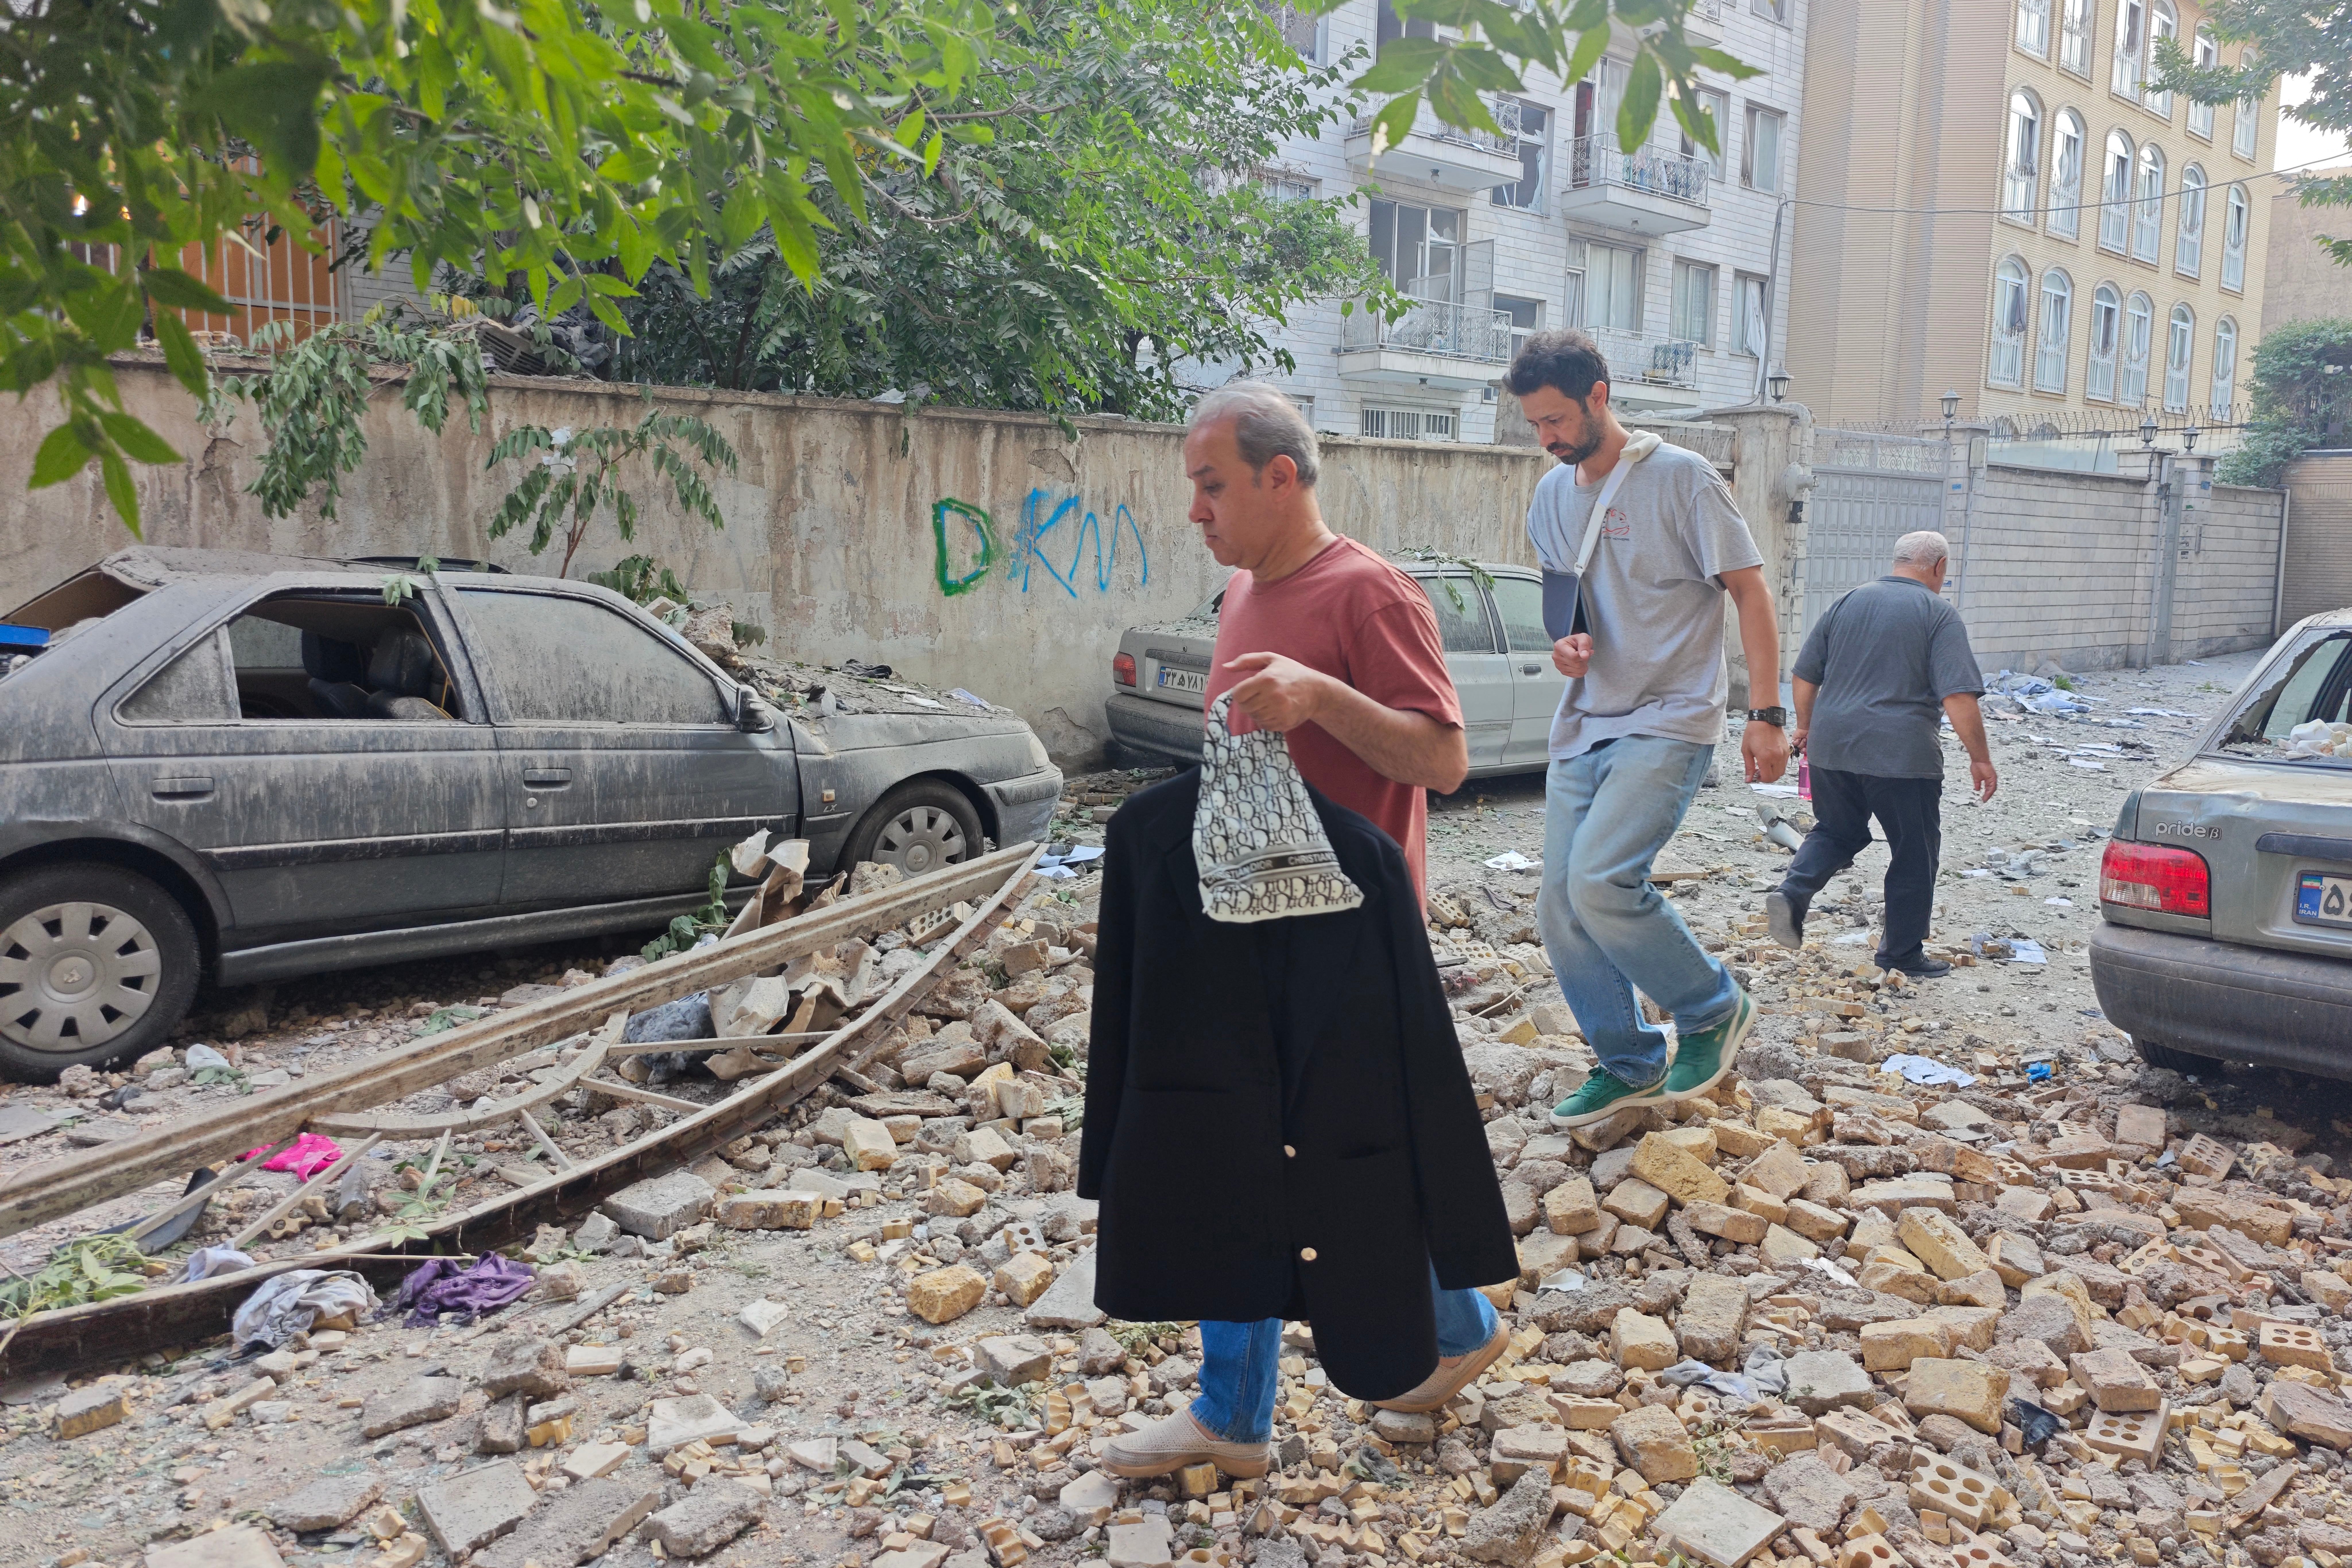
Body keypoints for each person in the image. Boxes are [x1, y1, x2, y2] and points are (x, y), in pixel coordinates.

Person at [1088, 382, 1515, 1481]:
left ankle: (1449, 1333)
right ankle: (1250, 1410)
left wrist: (1322, 695)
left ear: (1283, 477)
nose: (1196, 510)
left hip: (1347, 957)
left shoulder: (1370, 594)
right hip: (1242, 938)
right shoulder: (1240, 590)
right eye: (1193, 486)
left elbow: (1442, 762)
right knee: (1236, 1162)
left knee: (1346, 1169)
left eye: (1212, 484)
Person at [1504, 331, 1789, 1130]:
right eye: (1535, 425)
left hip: (1669, 717)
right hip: (1586, 722)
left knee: (1601, 880)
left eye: (1557, 418)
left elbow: (1752, 592)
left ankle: (1711, 1007)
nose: (1548, 437)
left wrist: (1766, 714)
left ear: (1599, 394)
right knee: (1561, 904)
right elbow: (1566, 598)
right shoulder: (1552, 493)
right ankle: (1628, 1061)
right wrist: (1565, 642)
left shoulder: (1683, 480)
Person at [1767, 530, 1997, 975]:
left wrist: (1807, 726)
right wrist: (1980, 757)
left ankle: (1793, 893)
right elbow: (1959, 699)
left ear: (1897, 562)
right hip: (1902, 755)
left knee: (1837, 830)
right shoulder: (1938, 614)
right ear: (1939, 568)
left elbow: (1803, 674)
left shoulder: (1847, 603)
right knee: (1914, 849)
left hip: (1833, 746)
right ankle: (1901, 955)